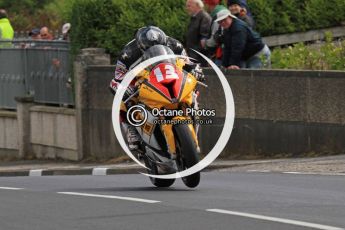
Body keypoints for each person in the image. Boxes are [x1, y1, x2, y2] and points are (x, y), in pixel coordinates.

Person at [109, 26, 204, 150]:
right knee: (123, 100)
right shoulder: (128, 54)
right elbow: (118, 78)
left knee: (193, 89)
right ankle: (132, 129)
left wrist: (196, 70)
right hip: (143, 80)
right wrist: (124, 89)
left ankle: (193, 111)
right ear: (140, 47)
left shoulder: (175, 45)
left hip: (169, 75)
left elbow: (187, 63)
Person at [185, 0, 212, 66]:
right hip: (193, 55)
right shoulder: (195, 17)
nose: (187, 8)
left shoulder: (204, 17)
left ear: (197, 6)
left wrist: (194, 56)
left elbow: (203, 39)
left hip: (198, 57)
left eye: (189, 6)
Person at [203, 0, 227, 65]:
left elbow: (214, 39)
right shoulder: (223, 11)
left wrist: (205, 43)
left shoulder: (218, 16)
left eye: (204, 3)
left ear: (208, 4)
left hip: (220, 53)